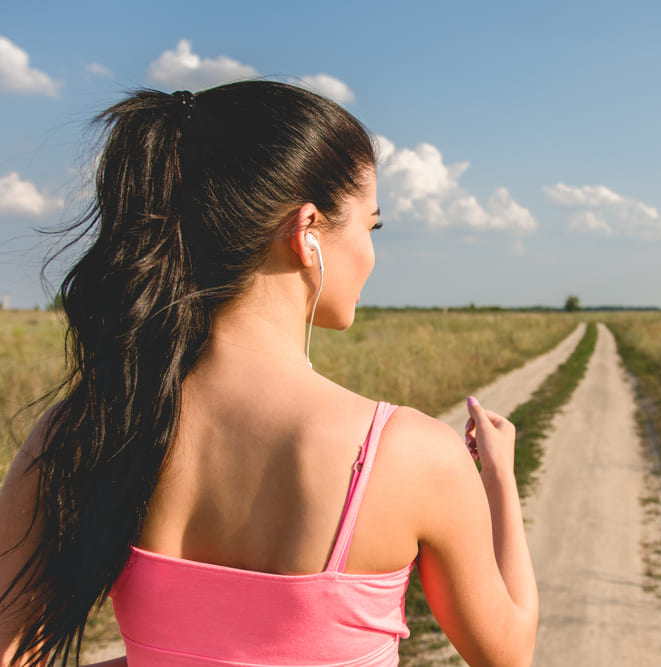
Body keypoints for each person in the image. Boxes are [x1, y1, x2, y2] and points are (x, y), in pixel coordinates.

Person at [0, 81, 537, 666]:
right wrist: (499, 480)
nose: (372, 253)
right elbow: (507, 654)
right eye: (370, 226)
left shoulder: (89, 427)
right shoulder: (412, 455)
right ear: (308, 230)